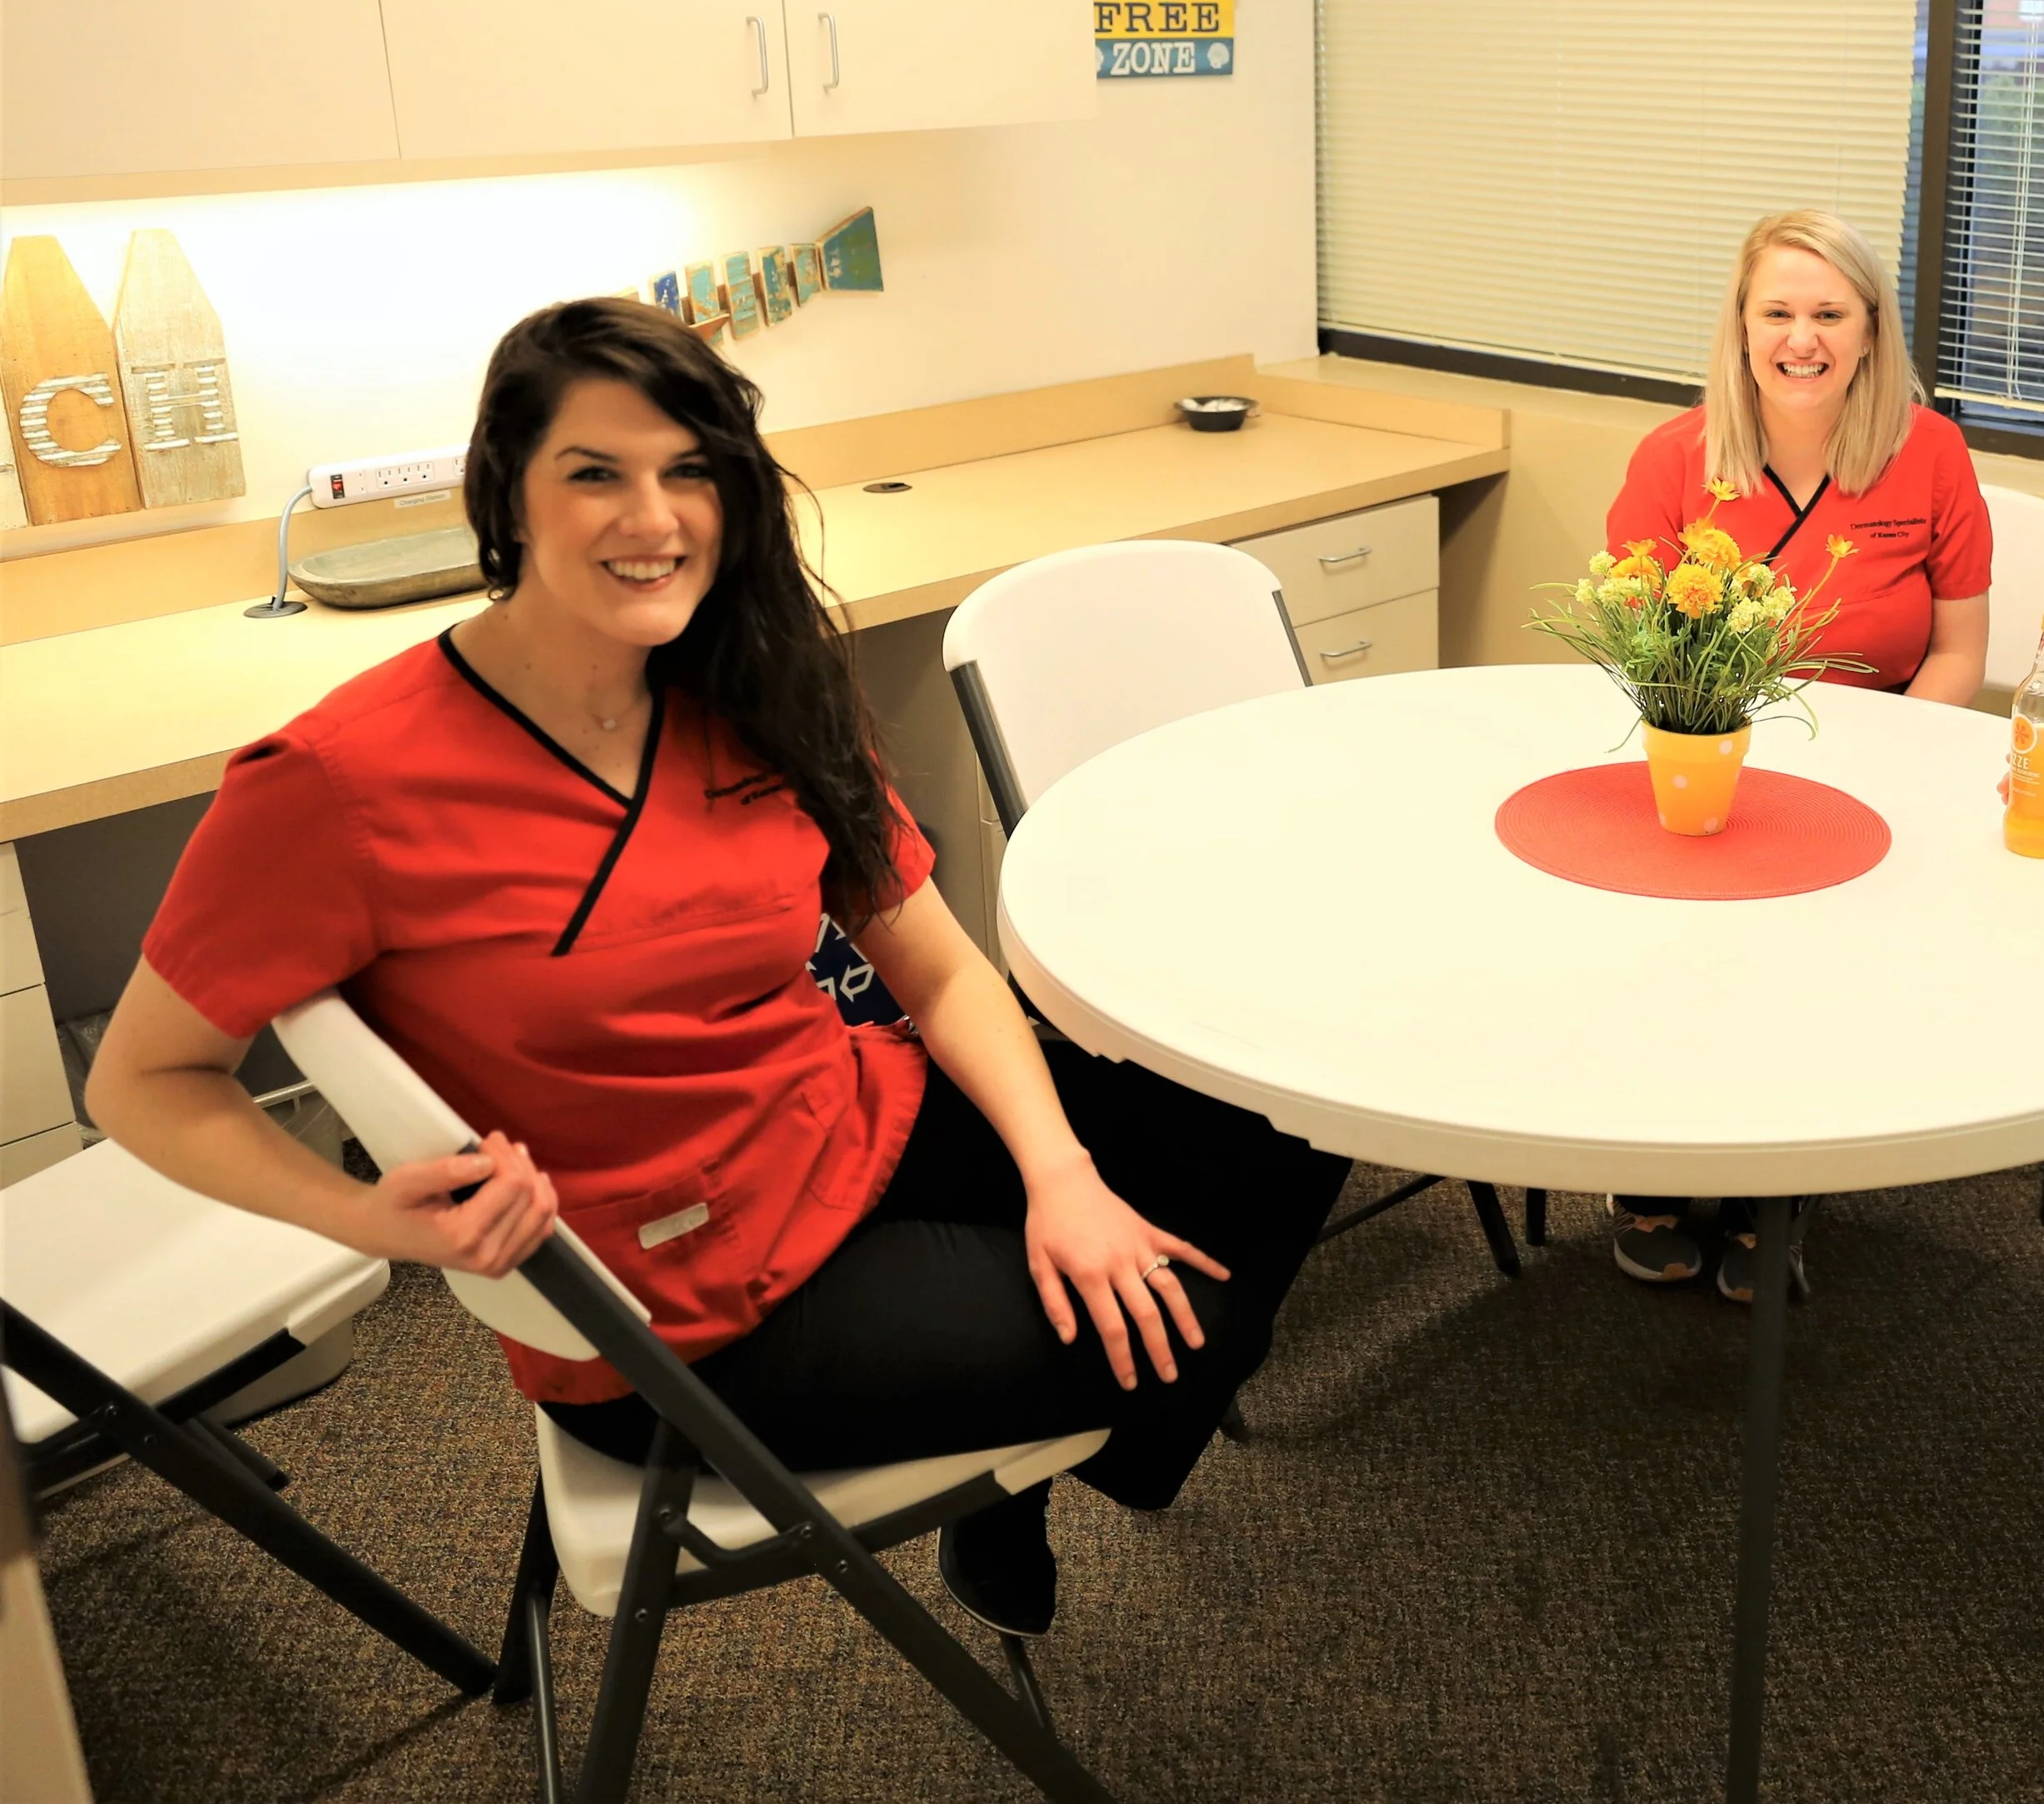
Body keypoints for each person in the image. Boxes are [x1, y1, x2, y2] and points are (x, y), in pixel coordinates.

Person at [85, 297, 1350, 1638]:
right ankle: (1030, 1460)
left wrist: (1061, 1176)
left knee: (1285, 1130)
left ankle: (1016, 1476)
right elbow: (147, 1081)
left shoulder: (749, 688)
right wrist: (377, 1224)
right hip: (675, 1306)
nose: (656, 517)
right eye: (596, 474)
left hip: (844, 1115)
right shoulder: (341, 784)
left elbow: (938, 976)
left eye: (692, 470)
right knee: (1190, 1326)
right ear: (502, 496)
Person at [1602, 208, 1993, 1302]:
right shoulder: (1676, 459)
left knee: (1827, 959)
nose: (1802, 338)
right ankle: (1648, 1165)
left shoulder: (1933, 456)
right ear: (1740, 326)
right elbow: (1639, 643)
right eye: (1777, 312)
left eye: (1830, 313)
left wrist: (1882, 763)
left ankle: (1785, 1189)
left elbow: (1962, 652)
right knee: (1671, 940)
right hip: (1709, 760)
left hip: (1881, 766)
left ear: (1872, 329)